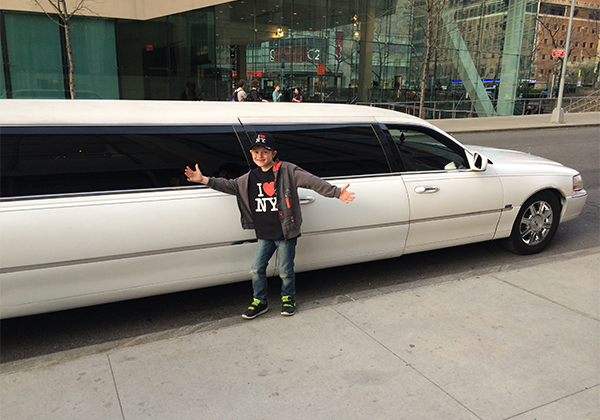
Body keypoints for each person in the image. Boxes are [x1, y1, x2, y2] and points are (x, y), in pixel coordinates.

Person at [184, 133, 355, 319]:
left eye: (265, 152)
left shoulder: (288, 171)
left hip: (285, 231)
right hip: (264, 233)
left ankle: (288, 299)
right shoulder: (250, 177)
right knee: (256, 269)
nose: (260, 156)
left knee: (285, 271)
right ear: (251, 154)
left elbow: (312, 181)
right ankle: (260, 301)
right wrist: (204, 179)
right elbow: (231, 185)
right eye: (256, 152)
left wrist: (336, 192)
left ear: (273, 153)